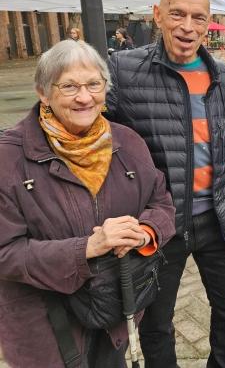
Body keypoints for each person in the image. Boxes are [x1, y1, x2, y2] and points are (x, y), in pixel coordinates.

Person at [106, 0, 225, 368]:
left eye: (198, 18)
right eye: (177, 14)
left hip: (220, 219)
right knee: (156, 322)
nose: (187, 27)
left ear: (209, 24)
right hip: (158, 224)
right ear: (157, 15)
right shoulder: (123, 72)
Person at [0, 40, 175, 367]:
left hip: (114, 315)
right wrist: (86, 247)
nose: (84, 97)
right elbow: (5, 253)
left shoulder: (127, 141)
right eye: (69, 86)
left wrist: (145, 232)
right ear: (43, 92)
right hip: (45, 328)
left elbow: (162, 202)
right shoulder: (8, 157)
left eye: (94, 84)